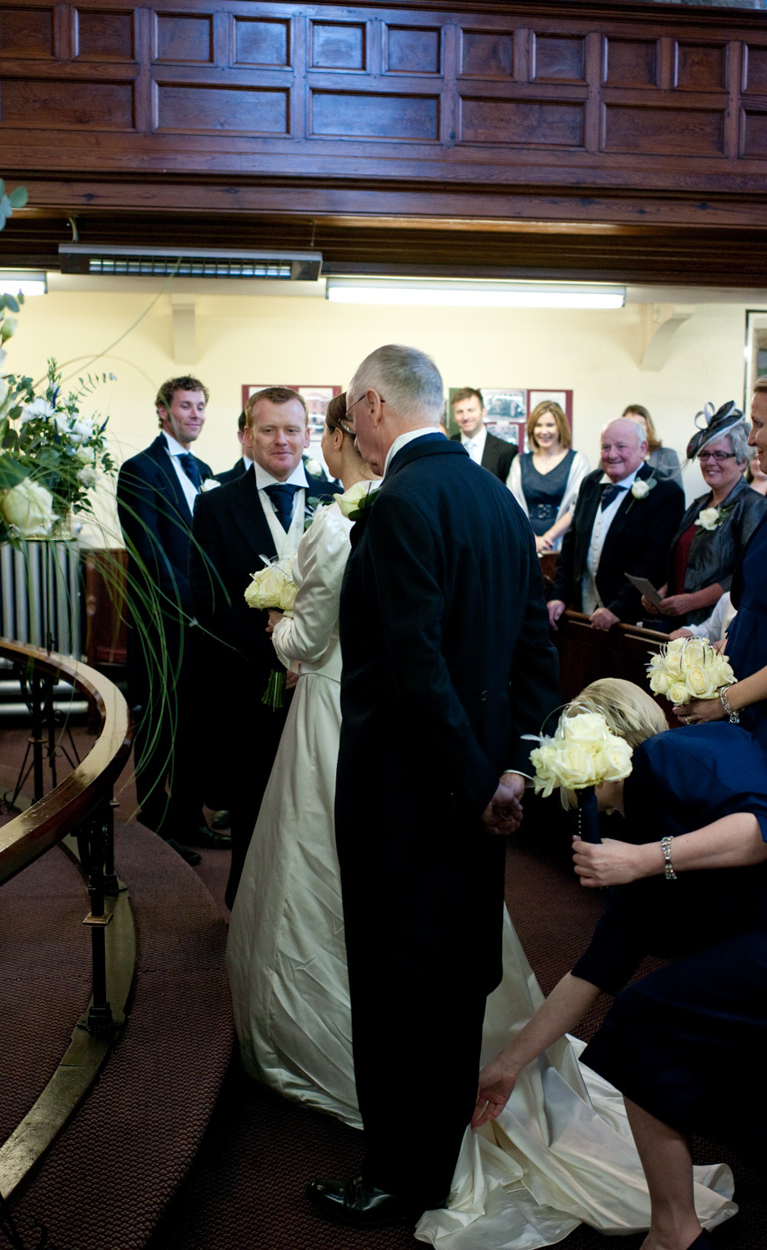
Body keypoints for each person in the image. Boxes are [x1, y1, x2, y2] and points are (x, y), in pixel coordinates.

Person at [308, 345, 562, 1229]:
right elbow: (535, 652)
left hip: (407, 796)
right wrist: (513, 769)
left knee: (393, 987)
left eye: (350, 410)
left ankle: (396, 1172)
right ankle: (438, 1151)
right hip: (481, 791)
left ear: (374, 405)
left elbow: (414, 671)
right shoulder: (497, 500)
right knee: (452, 979)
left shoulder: (400, 504)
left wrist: (473, 781)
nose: (350, 428)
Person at [474, 677, 762, 1250]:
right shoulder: (629, 829)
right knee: (657, 1015)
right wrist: (508, 1064)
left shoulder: (674, 753)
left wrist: (647, 860)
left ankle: (674, 1233)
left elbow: (762, 829)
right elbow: (597, 968)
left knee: (645, 1018)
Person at [225, 393, 378, 1126]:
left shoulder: (335, 520)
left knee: (311, 849)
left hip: (324, 705)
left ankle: (309, 1026)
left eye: (305, 430)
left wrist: (279, 624)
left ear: (334, 438)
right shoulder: (396, 507)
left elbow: (307, 642)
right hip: (376, 703)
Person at [189, 386, 334, 906]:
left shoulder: (337, 501)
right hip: (250, 682)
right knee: (254, 799)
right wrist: (273, 646)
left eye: (291, 430)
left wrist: (308, 648)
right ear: (248, 436)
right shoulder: (214, 505)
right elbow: (207, 600)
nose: (281, 440)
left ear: (307, 435)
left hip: (321, 679)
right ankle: (248, 905)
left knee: (318, 801)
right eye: (268, 430)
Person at [117, 375, 222, 865]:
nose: (195, 414)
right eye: (185, 406)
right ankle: (157, 827)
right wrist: (193, 606)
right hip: (163, 624)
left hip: (204, 625)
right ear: (163, 410)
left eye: (200, 406)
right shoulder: (139, 469)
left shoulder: (205, 470)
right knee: (159, 725)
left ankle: (190, 818)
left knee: (197, 724)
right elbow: (149, 552)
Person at [669, 377, 767, 755]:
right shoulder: (699, 504)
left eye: (759, 424)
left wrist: (722, 703)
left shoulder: (751, 505)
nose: (753, 439)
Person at [548, 417, 684, 631]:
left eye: (621, 447)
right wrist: (559, 596)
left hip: (630, 621)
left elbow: (654, 562)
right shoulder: (590, 484)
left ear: (643, 449)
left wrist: (618, 609)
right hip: (583, 612)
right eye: (606, 447)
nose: (612, 455)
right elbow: (571, 545)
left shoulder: (665, 492)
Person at [641, 403, 765, 631]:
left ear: (741, 461)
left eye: (720, 455)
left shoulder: (752, 505)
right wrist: (663, 593)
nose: (710, 462)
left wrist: (692, 601)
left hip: (715, 626)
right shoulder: (698, 504)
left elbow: (745, 574)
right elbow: (685, 561)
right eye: (705, 455)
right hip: (680, 623)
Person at [506, 399, 590, 553]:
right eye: (538, 425)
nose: (544, 431)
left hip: (564, 546)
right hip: (526, 544)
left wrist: (547, 538)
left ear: (560, 427)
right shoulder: (519, 462)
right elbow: (512, 504)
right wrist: (533, 539)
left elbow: (577, 506)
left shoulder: (578, 461)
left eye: (550, 425)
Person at [449, 386, 517, 482]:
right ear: (454, 417)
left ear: (483, 411)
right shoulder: (448, 447)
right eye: (460, 412)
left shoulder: (506, 451)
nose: (465, 417)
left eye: (471, 410)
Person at [622, 403, 683, 489]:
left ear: (648, 427)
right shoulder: (613, 457)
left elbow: (678, 493)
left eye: (640, 423)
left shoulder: (668, 455)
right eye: (629, 423)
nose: (635, 428)